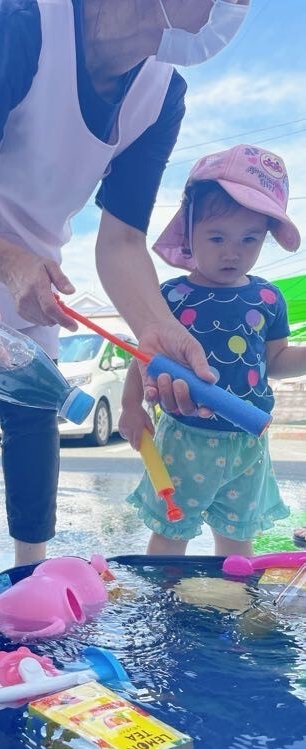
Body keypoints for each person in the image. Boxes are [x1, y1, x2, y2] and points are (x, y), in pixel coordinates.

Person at [0, 0, 251, 592]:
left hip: (43, 291)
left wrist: (156, 328)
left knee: (34, 447)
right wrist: (9, 262)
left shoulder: (162, 96)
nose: (233, 8)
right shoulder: (17, 23)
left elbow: (120, 242)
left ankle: (31, 577)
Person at [119, 144, 306, 557]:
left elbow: (274, 362)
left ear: (266, 238)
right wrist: (131, 407)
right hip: (183, 434)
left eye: (249, 239)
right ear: (188, 233)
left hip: (247, 442)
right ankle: (164, 607)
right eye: (217, 237)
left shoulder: (269, 299)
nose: (232, 251)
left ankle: (233, 602)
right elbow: (145, 356)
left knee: (238, 538)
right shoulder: (170, 296)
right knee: (171, 531)